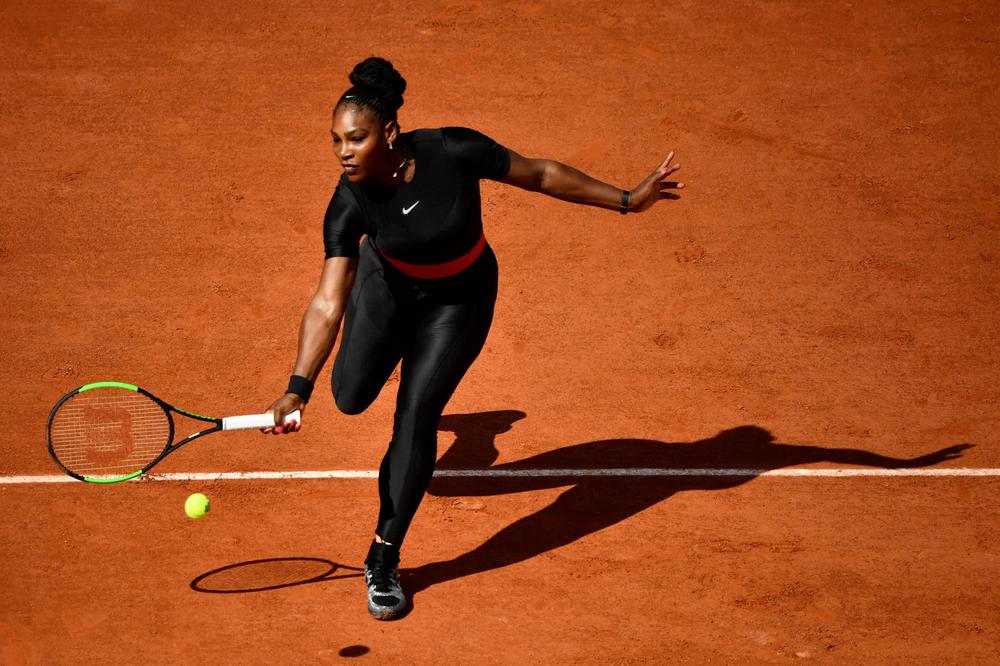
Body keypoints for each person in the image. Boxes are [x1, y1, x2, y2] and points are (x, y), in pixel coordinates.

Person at [263, 56, 683, 620]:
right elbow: (326, 300)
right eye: (336, 140)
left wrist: (629, 200)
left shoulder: (452, 150)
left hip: (458, 303)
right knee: (350, 397)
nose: (343, 152)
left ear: (388, 132)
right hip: (386, 291)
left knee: (415, 417)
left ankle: (383, 559)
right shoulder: (348, 201)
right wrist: (298, 387)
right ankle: (440, 407)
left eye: (355, 138)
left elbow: (540, 174)